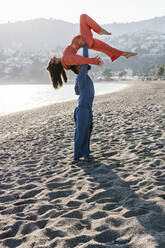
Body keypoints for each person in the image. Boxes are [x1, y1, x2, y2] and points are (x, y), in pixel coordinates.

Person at [47, 14, 137, 89]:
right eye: (53, 60)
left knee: (108, 49)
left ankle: (125, 54)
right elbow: (79, 59)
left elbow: (78, 59)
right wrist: (93, 61)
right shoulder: (66, 59)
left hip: (84, 42)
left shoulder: (65, 61)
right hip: (84, 40)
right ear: (56, 64)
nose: (53, 57)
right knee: (83, 17)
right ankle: (99, 30)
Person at [72, 43, 95, 163]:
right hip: (82, 109)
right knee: (80, 134)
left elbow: (76, 91)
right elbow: (85, 61)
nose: (83, 66)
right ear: (78, 69)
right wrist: (85, 46)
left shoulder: (83, 78)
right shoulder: (81, 76)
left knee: (87, 132)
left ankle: (86, 154)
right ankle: (76, 157)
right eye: (81, 65)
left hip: (87, 109)